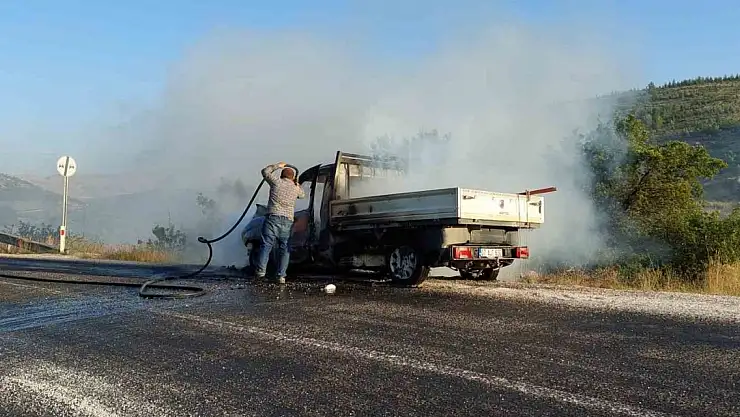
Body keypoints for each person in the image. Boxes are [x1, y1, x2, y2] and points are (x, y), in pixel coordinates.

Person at [253, 161, 305, 284]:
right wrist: (296, 183)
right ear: (292, 177)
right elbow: (302, 195)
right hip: (287, 221)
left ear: (282, 176)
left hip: (273, 218)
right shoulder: (295, 188)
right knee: (285, 248)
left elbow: (265, 172)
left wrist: (277, 166)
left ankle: (260, 273)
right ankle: (281, 276)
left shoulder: (276, 182)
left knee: (266, 245)